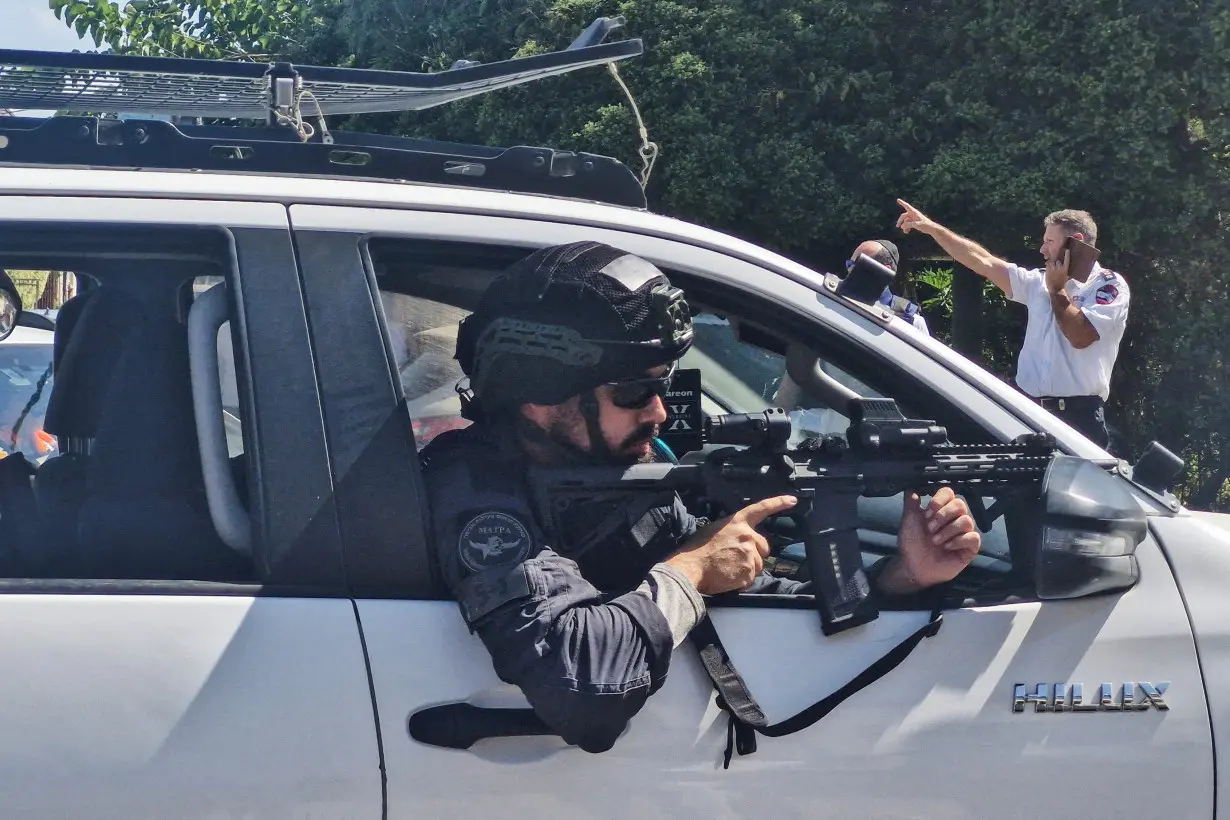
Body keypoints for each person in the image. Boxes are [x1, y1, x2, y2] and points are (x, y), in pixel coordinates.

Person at [419, 241, 982, 754]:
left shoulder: (622, 471)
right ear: (539, 399)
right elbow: (583, 689)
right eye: (634, 391)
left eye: (663, 385)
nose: (658, 412)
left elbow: (748, 590)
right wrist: (689, 571)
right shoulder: (477, 494)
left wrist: (904, 576)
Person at [895, 201, 1129, 449]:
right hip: (1029, 411)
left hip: (1077, 418)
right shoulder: (1037, 281)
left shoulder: (1108, 286)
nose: (1042, 249)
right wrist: (932, 228)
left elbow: (1080, 336)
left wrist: (1057, 289)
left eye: (1049, 241)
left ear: (1076, 241)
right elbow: (981, 260)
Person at [848, 239, 930, 335]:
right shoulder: (834, 300)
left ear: (884, 270)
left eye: (859, 265)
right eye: (849, 264)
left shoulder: (912, 321)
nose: (850, 270)